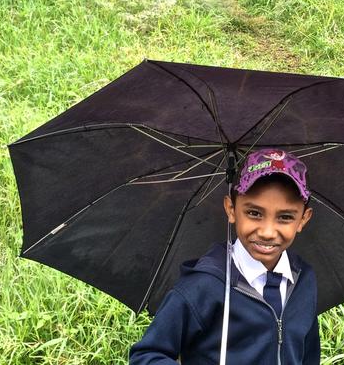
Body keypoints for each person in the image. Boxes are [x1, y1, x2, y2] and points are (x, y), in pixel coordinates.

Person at [130, 149, 320, 364]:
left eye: (285, 217)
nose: (267, 231)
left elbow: (309, 354)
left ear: (304, 219)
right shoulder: (203, 286)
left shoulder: (304, 280)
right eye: (254, 213)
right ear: (231, 208)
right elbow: (147, 355)